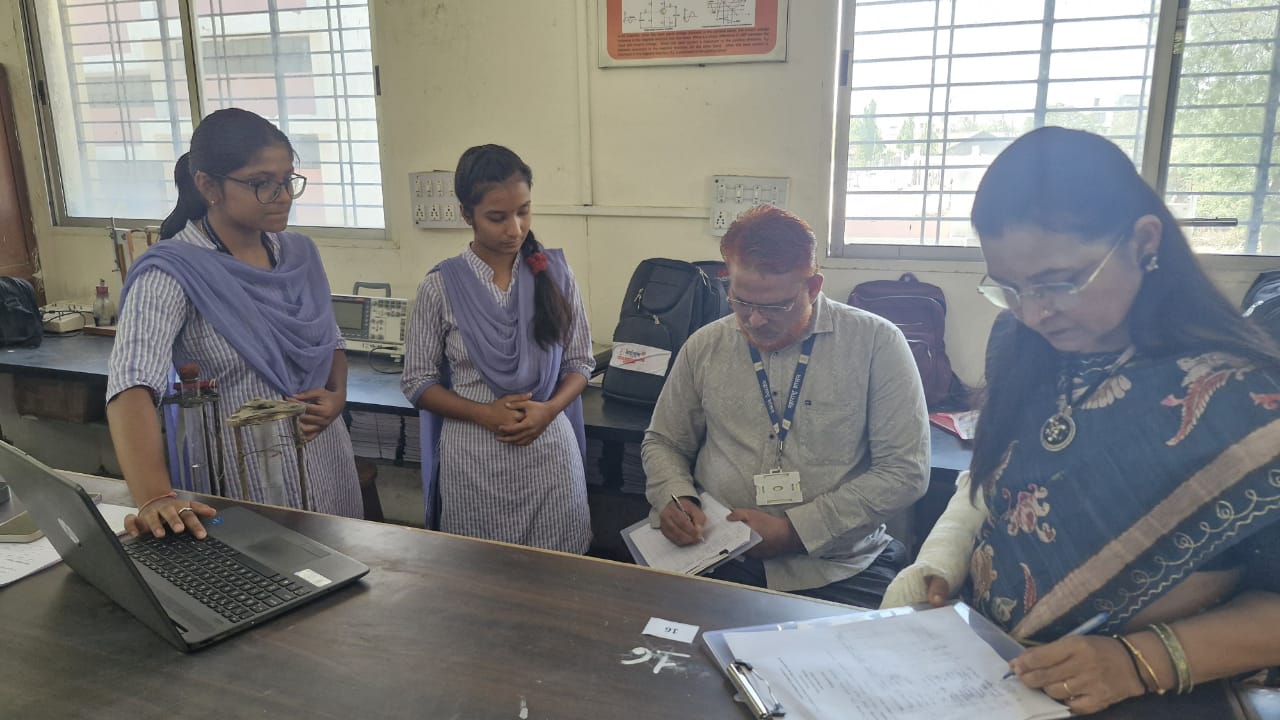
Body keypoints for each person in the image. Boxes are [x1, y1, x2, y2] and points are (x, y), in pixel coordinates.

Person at [882, 127, 1280, 715]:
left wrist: (1138, 660)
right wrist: (943, 560)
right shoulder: (1021, 341)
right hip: (991, 675)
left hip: (1146, 695)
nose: (1035, 312)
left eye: (1060, 282)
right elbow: (990, 481)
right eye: (1010, 288)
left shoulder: (1247, 400)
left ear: (1143, 242)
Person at [642, 205, 930, 607]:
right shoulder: (705, 345)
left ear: (812, 287)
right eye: (741, 302)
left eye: (775, 306)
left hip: (837, 565)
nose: (755, 321)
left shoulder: (876, 343)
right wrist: (676, 497)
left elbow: (905, 470)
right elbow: (664, 441)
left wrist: (796, 531)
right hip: (718, 554)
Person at [108, 107, 362, 539]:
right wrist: (154, 497)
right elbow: (131, 384)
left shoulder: (299, 254)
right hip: (243, 478)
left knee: (344, 567)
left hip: (326, 462)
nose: (282, 195)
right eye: (262, 183)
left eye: (288, 179)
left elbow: (328, 339)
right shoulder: (172, 271)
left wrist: (338, 396)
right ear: (209, 186)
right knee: (263, 572)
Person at [400, 144, 594, 553]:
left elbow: (580, 363)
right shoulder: (440, 286)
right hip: (474, 461)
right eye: (497, 217)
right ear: (466, 214)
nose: (515, 229)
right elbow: (417, 381)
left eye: (524, 211)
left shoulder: (556, 276)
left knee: (559, 575)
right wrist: (484, 413)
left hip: (550, 456)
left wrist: (549, 410)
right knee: (479, 574)